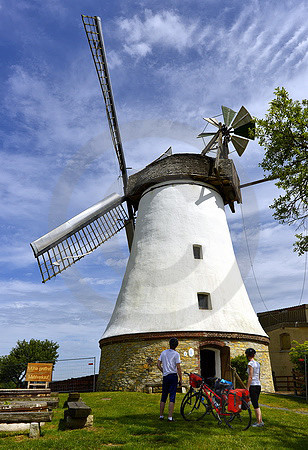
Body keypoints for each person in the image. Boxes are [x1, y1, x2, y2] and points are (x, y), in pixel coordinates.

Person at [157, 337, 182, 422]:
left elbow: (158, 363)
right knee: (172, 396)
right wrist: (181, 378)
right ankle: (170, 417)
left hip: (166, 376)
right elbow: (178, 367)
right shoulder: (176, 354)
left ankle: (161, 415)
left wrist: (162, 370)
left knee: (163, 396)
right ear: (176, 345)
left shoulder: (164, 353)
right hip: (173, 376)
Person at [246, 347, 264, 427]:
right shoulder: (257, 363)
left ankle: (259, 422)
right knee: (256, 403)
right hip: (258, 384)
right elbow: (258, 375)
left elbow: (250, 376)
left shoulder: (250, 364)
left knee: (255, 404)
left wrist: (247, 388)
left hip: (253, 385)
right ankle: (260, 420)